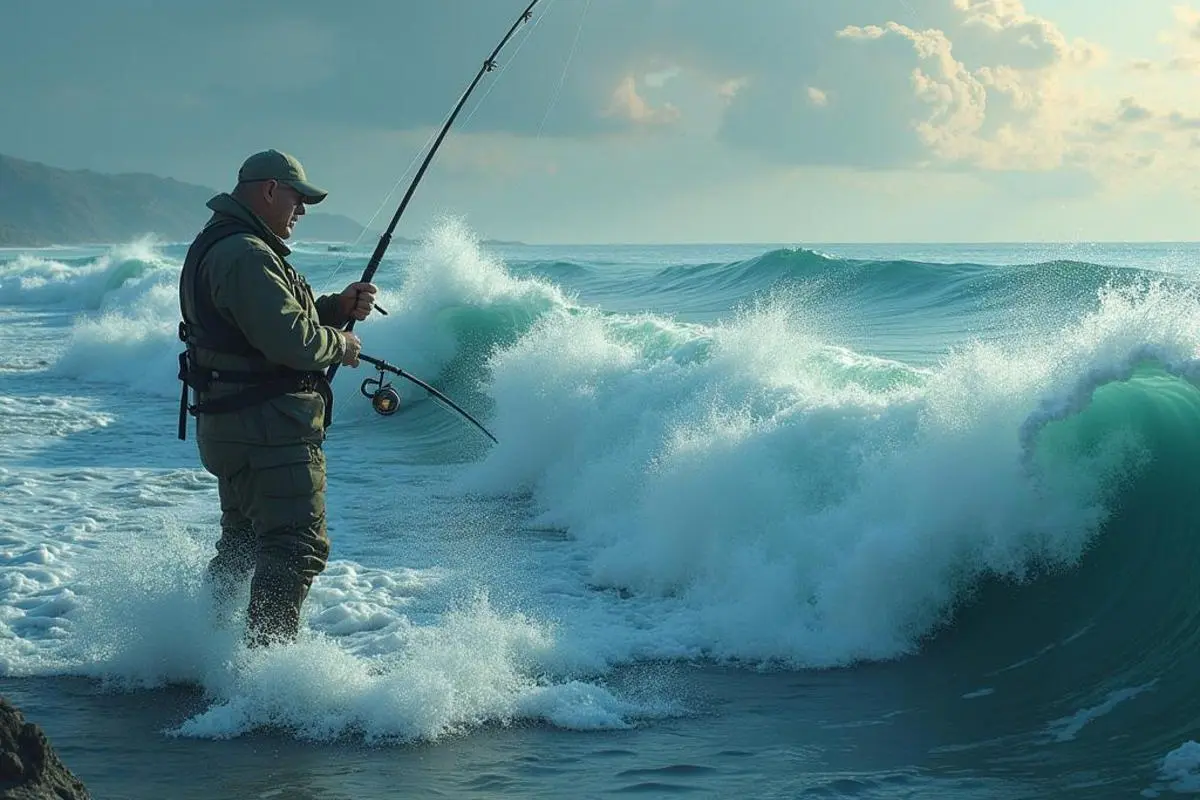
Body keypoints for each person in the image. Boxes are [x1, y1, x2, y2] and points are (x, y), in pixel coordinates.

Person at [176, 149, 377, 648]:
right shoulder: (247, 254)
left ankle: (203, 648)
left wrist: (336, 307)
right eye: (297, 198)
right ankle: (263, 670)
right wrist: (342, 344)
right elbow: (291, 342)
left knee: (243, 545)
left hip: (235, 426)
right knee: (294, 547)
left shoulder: (223, 243)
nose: (302, 210)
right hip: (267, 431)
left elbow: (253, 327)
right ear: (269, 190)